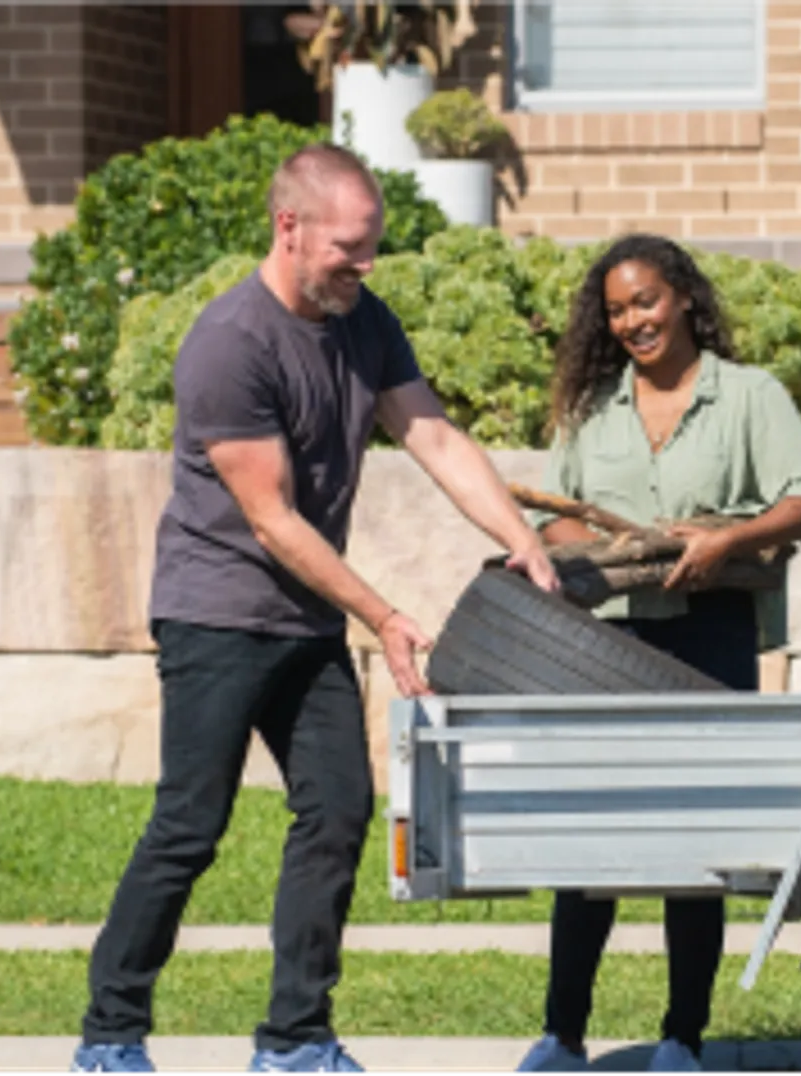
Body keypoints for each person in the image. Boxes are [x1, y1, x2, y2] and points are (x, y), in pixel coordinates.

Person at [68, 143, 561, 1076]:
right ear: (287, 228)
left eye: (372, 246)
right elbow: (272, 521)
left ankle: (294, 1040)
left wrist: (519, 534)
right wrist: (384, 614)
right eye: (349, 247)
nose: (365, 265)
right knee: (191, 823)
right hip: (216, 613)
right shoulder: (229, 344)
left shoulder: (362, 321)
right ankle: (110, 1036)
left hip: (303, 622)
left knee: (338, 810)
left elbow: (434, 435)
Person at [514, 234, 801, 1076]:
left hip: (711, 632)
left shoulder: (749, 397)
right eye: (618, 310)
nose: (633, 321)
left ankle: (682, 1041)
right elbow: (556, 519)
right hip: (609, 638)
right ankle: (562, 1037)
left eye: (647, 302)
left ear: (685, 298)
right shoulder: (594, 410)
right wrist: (594, 547)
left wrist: (731, 536)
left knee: (694, 847)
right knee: (591, 845)